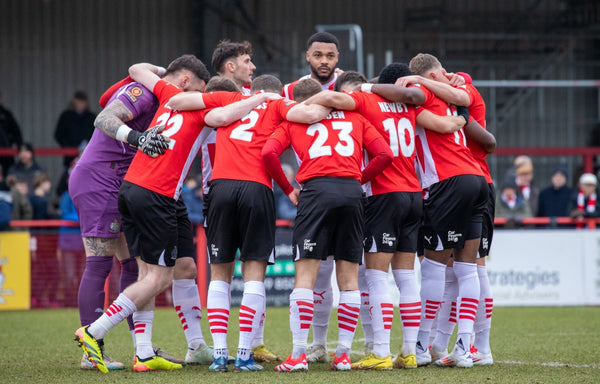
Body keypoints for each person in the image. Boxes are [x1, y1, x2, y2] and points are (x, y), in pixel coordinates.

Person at [74, 59, 281, 374]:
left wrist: (164, 71)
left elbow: (135, 69)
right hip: (156, 193)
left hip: (131, 187)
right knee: (160, 277)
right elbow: (223, 114)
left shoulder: (168, 92)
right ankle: (95, 330)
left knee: (151, 274)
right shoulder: (204, 111)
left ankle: (144, 353)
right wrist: (260, 99)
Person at [303, 67, 467, 370]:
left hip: (382, 194)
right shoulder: (408, 106)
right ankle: (409, 351)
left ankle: (379, 351)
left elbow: (331, 100)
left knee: (376, 276)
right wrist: (460, 118)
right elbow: (437, 120)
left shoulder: (364, 100)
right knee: (406, 277)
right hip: (413, 194)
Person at [168, 74, 330, 372]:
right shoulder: (278, 104)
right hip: (256, 188)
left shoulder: (230, 98)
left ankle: (219, 355)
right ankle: (243, 354)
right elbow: (309, 114)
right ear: (272, 92)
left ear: (252, 90)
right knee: (253, 274)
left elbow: (176, 101)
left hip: (220, 187)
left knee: (219, 274)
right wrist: (333, 101)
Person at [70, 55, 214, 371]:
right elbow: (103, 117)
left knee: (135, 268)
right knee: (99, 264)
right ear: (186, 82)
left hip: (124, 182)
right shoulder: (145, 92)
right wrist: (137, 138)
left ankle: (143, 350)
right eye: (197, 92)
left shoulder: (162, 96)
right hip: (100, 178)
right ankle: (90, 351)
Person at [263, 79, 393, 372]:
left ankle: (298, 355)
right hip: (351, 193)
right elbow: (385, 154)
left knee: (306, 276)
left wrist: (287, 189)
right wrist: (358, 179)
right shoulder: (356, 117)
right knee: (349, 279)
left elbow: (268, 153)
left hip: (315, 192)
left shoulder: (292, 119)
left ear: (299, 102)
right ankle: (344, 355)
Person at [384, 53, 488, 369]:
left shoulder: (420, 97)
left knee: (433, 266)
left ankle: (421, 344)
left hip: (447, 182)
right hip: (477, 179)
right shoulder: (449, 96)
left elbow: (427, 114)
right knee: (467, 268)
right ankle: (463, 347)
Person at [282, 31, 344, 364]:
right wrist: (288, 186)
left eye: (330, 56)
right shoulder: (290, 91)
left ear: (338, 58)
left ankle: (365, 347)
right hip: (312, 188)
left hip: (349, 187)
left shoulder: (349, 88)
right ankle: (318, 344)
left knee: (348, 272)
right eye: (318, 55)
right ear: (307, 55)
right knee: (318, 271)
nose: (324, 61)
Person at [54, 91, 96, 169]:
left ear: (86, 103)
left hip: (88, 155)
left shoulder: (91, 117)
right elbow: (58, 134)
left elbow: (96, 135)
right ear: (74, 102)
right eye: (79, 101)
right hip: (70, 156)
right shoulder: (66, 116)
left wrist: (89, 146)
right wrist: (68, 147)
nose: (80, 104)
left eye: (82, 102)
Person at [0, 90, 23, 178]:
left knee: (8, 174)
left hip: (6, 151)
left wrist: (19, 148)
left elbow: (16, 132)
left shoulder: (6, 114)